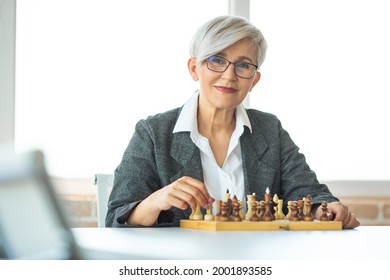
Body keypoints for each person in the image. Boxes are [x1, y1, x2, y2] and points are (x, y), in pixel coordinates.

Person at [106, 15, 359, 229]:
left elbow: (309, 193)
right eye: (217, 60)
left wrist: (325, 209)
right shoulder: (152, 133)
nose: (229, 76)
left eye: (243, 65)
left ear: (254, 80)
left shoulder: (270, 130)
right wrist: (154, 201)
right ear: (194, 68)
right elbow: (116, 219)